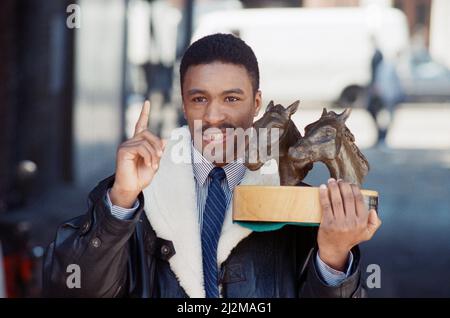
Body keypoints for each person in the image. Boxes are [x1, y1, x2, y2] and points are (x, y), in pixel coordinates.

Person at [43, 34, 381, 298]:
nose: (214, 117)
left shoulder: (298, 206)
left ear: (257, 103)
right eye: (199, 99)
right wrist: (119, 203)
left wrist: (335, 260)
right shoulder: (137, 193)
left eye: (232, 99)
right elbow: (72, 290)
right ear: (184, 102)